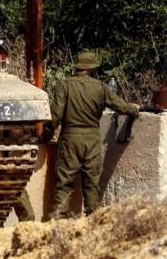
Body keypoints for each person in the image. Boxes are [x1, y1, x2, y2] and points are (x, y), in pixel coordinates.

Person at [48, 51, 139, 218]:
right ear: (92, 69)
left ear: (77, 67)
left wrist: (45, 135)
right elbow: (121, 107)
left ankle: (59, 221)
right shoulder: (101, 87)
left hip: (70, 138)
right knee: (91, 183)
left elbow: (55, 115)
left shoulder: (64, 85)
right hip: (92, 140)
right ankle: (92, 221)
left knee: (64, 183)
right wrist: (134, 110)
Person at [0, 39, 36, 222]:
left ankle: (28, 221)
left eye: (1, 52)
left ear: (6, 55)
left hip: (10, 140)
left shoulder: (12, 80)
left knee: (14, 180)